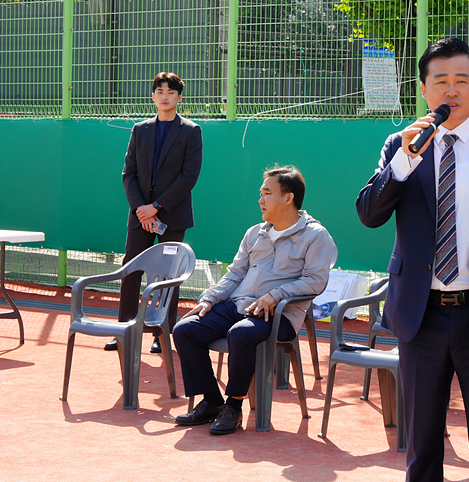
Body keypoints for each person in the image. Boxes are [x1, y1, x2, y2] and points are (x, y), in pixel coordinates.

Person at [357, 37, 469, 482]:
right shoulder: (401, 145)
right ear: (424, 90)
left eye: (462, 80)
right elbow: (370, 213)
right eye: (440, 81)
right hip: (421, 315)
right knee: (421, 447)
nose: (451, 91)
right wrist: (403, 159)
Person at [172, 165, 335, 434]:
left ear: (288, 197)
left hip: (279, 314)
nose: (260, 199)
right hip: (239, 305)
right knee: (185, 330)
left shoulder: (316, 236)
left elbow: (316, 281)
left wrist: (276, 295)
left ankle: (233, 408)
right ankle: (213, 402)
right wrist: (209, 298)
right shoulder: (254, 233)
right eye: (260, 193)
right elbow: (234, 274)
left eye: (267, 193)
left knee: (241, 334)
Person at [106, 72, 203, 353]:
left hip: (172, 215)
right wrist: (141, 209)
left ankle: (162, 333)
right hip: (140, 216)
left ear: (179, 97)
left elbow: (189, 176)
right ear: (152, 96)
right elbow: (129, 173)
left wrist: (157, 207)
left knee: (167, 274)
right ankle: (124, 328)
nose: (164, 96)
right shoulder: (140, 129)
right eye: (160, 91)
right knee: (131, 270)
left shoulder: (191, 131)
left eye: (171, 92)